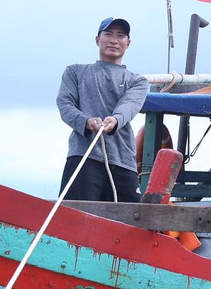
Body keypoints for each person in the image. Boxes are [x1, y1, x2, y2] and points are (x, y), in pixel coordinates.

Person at [56, 17, 151, 202]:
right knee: (73, 219)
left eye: (120, 35)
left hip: (123, 161)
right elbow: (65, 104)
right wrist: (86, 122)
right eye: (108, 34)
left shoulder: (137, 81)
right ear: (97, 39)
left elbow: (129, 106)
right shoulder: (74, 72)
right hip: (84, 157)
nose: (114, 40)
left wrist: (115, 120)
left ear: (128, 43)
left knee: (133, 223)